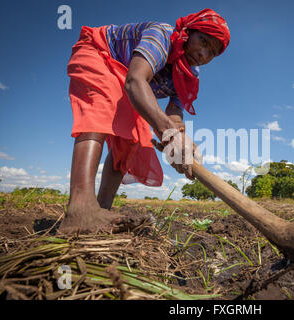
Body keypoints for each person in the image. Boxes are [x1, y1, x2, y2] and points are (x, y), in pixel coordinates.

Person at [58, 9, 230, 234]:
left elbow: (174, 114)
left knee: (129, 140)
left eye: (212, 53)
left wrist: (179, 142)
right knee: (99, 112)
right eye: (203, 42)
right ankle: (80, 208)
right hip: (99, 52)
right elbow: (135, 81)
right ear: (188, 32)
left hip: (125, 80)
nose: (204, 54)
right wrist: (170, 134)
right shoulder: (162, 37)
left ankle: (99, 210)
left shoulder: (190, 74)